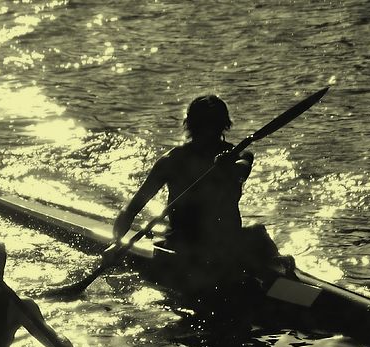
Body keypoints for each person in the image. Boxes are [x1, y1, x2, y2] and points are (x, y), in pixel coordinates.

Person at [111, 94, 292, 293]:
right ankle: (271, 279)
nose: (208, 133)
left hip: (225, 245)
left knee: (258, 232)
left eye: (212, 127)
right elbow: (131, 209)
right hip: (186, 248)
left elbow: (243, 168)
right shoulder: (172, 161)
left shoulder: (238, 156)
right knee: (254, 236)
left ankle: (285, 279)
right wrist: (117, 243)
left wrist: (227, 167)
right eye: (204, 126)